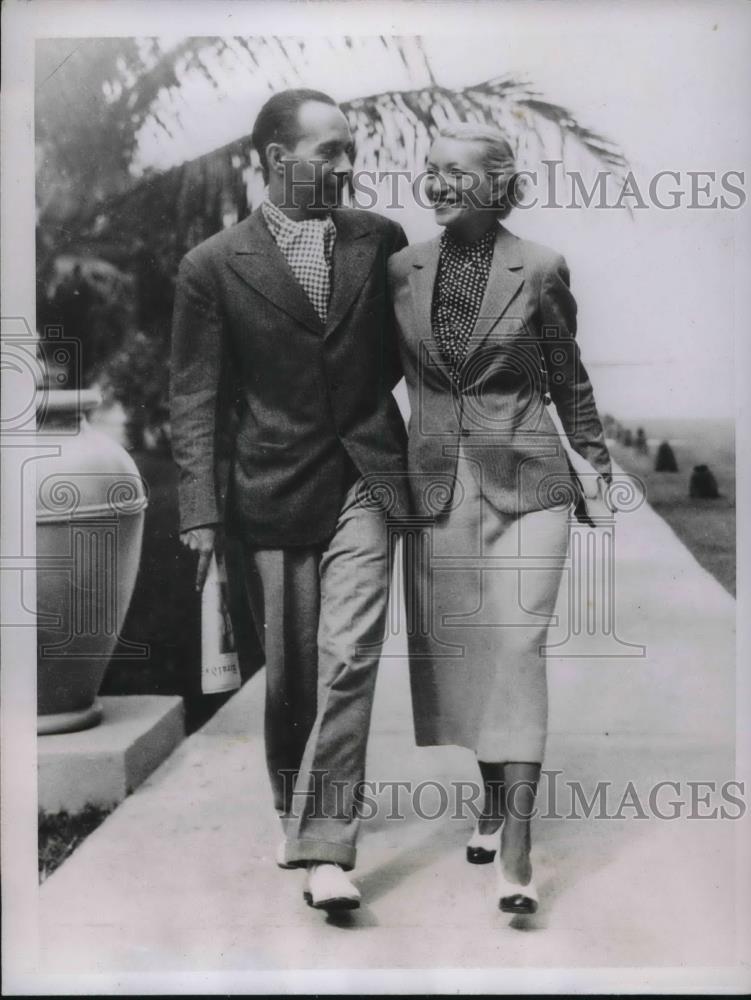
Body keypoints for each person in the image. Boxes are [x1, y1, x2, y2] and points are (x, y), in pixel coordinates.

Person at [170, 88, 409, 912]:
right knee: (292, 679)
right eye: (331, 150)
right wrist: (199, 511)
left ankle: (323, 849)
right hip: (269, 489)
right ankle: (291, 804)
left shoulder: (381, 241)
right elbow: (195, 396)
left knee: (350, 659)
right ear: (279, 160)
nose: (349, 165)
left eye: (351, 149)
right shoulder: (212, 265)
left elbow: (420, 359)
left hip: (368, 478)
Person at [388, 123, 614, 916]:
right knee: (469, 660)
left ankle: (515, 849)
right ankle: (488, 802)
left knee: (516, 647)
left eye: (454, 171)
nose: (438, 182)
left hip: (529, 481)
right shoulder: (400, 270)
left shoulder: (539, 268)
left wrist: (593, 462)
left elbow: (566, 374)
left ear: (497, 183)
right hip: (437, 485)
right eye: (430, 170)